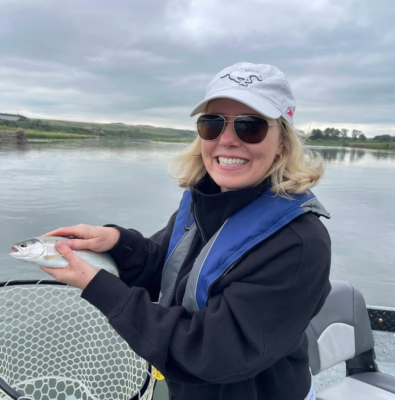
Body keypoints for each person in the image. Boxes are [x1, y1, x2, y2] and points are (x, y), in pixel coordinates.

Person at [40, 62, 331, 400]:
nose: (226, 140)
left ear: (282, 141)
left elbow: (211, 352)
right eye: (212, 123)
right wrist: (118, 242)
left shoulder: (299, 244)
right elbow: (163, 267)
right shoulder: (201, 201)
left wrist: (98, 286)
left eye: (250, 127)